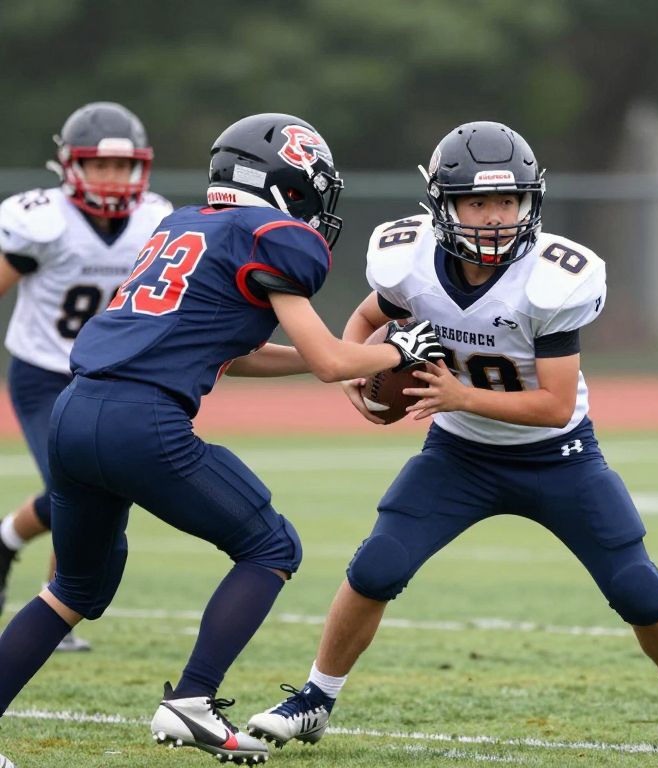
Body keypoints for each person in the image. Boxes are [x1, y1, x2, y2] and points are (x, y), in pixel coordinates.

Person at [246, 121, 658, 753]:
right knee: (377, 566)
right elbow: (370, 314)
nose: (494, 217)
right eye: (477, 202)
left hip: (559, 456)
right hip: (458, 454)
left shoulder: (552, 279)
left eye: (508, 201)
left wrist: (459, 396)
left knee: (637, 588)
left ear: (530, 202)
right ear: (443, 205)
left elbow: (554, 405)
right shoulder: (410, 262)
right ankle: (316, 698)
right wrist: (359, 372)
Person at [0, 112, 443, 765]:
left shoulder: (182, 223)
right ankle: (192, 700)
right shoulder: (272, 236)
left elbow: (233, 353)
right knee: (271, 544)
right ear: (288, 185)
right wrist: (396, 349)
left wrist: (334, 358)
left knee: (72, 590)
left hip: (74, 411)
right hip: (140, 421)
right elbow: (330, 359)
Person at [0, 102, 172, 653]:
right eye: (100, 165)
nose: (112, 178)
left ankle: (7, 541)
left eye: (122, 167)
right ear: (70, 165)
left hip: (108, 376)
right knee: (73, 487)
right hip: (43, 371)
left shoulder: (155, 221)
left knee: (98, 487)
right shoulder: (41, 221)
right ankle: (58, 604)